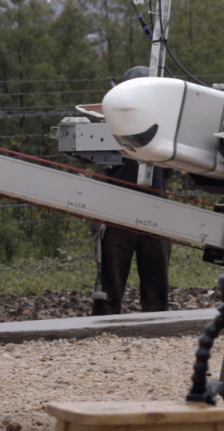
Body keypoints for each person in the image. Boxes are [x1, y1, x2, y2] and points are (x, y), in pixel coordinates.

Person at [91, 66, 173, 316]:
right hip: (118, 214)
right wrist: (98, 214)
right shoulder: (110, 127)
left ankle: (157, 323)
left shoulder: (164, 126)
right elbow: (100, 170)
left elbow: (169, 170)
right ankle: (104, 326)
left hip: (154, 212)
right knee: (111, 281)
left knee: (156, 279)